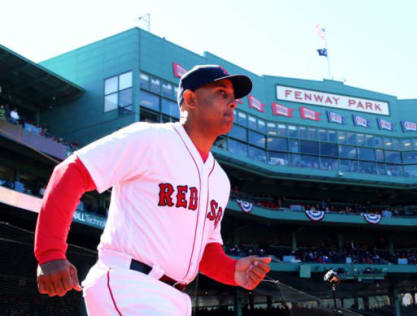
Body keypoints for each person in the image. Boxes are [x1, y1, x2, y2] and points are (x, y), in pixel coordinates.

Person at [34, 65, 271, 315]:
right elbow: (72, 171)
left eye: (234, 98)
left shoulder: (221, 181)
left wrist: (233, 271)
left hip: (175, 299)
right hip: (129, 283)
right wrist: (50, 253)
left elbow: (205, 251)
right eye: (222, 93)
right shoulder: (151, 139)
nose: (233, 103)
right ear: (190, 99)